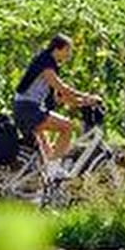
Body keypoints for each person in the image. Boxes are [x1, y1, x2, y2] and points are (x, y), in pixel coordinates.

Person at [13, 34, 101, 176]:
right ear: (60, 49)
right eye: (69, 50)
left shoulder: (47, 61)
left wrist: (82, 102)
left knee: (48, 153)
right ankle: (55, 170)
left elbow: (58, 98)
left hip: (28, 108)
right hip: (29, 109)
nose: (70, 55)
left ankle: (47, 184)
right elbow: (62, 88)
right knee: (68, 127)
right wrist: (87, 96)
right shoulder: (45, 64)